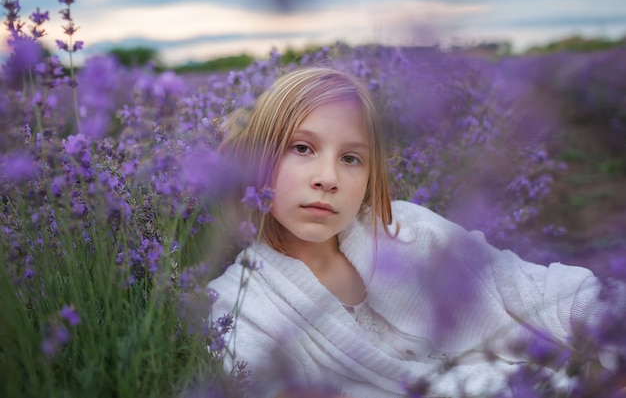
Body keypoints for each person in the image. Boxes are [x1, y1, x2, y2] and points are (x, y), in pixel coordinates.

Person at [207, 66, 625, 398]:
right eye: (302, 148)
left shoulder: (410, 229)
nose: (328, 178)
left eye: (351, 158)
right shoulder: (239, 304)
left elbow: (533, 288)